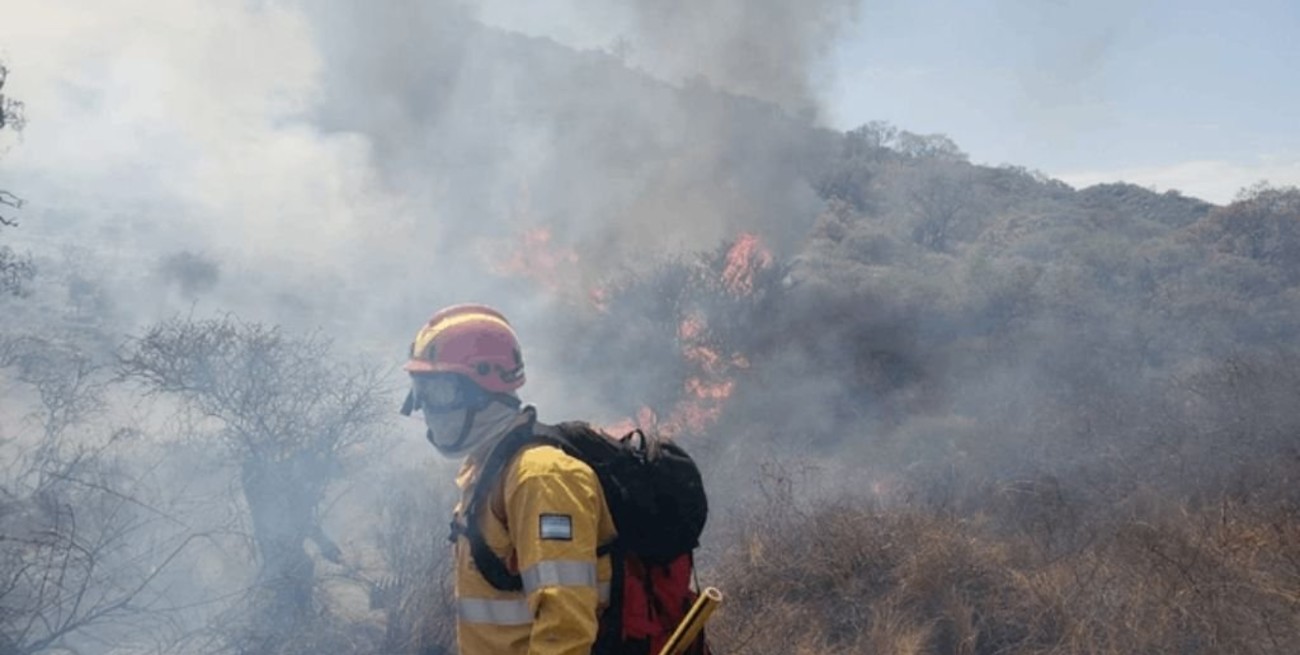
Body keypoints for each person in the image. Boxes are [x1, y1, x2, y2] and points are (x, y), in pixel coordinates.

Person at [400, 303, 616, 655]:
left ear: (484, 386)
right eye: (419, 392)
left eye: (437, 391)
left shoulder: (541, 478)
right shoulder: (486, 470)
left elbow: (566, 632)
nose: (425, 408)